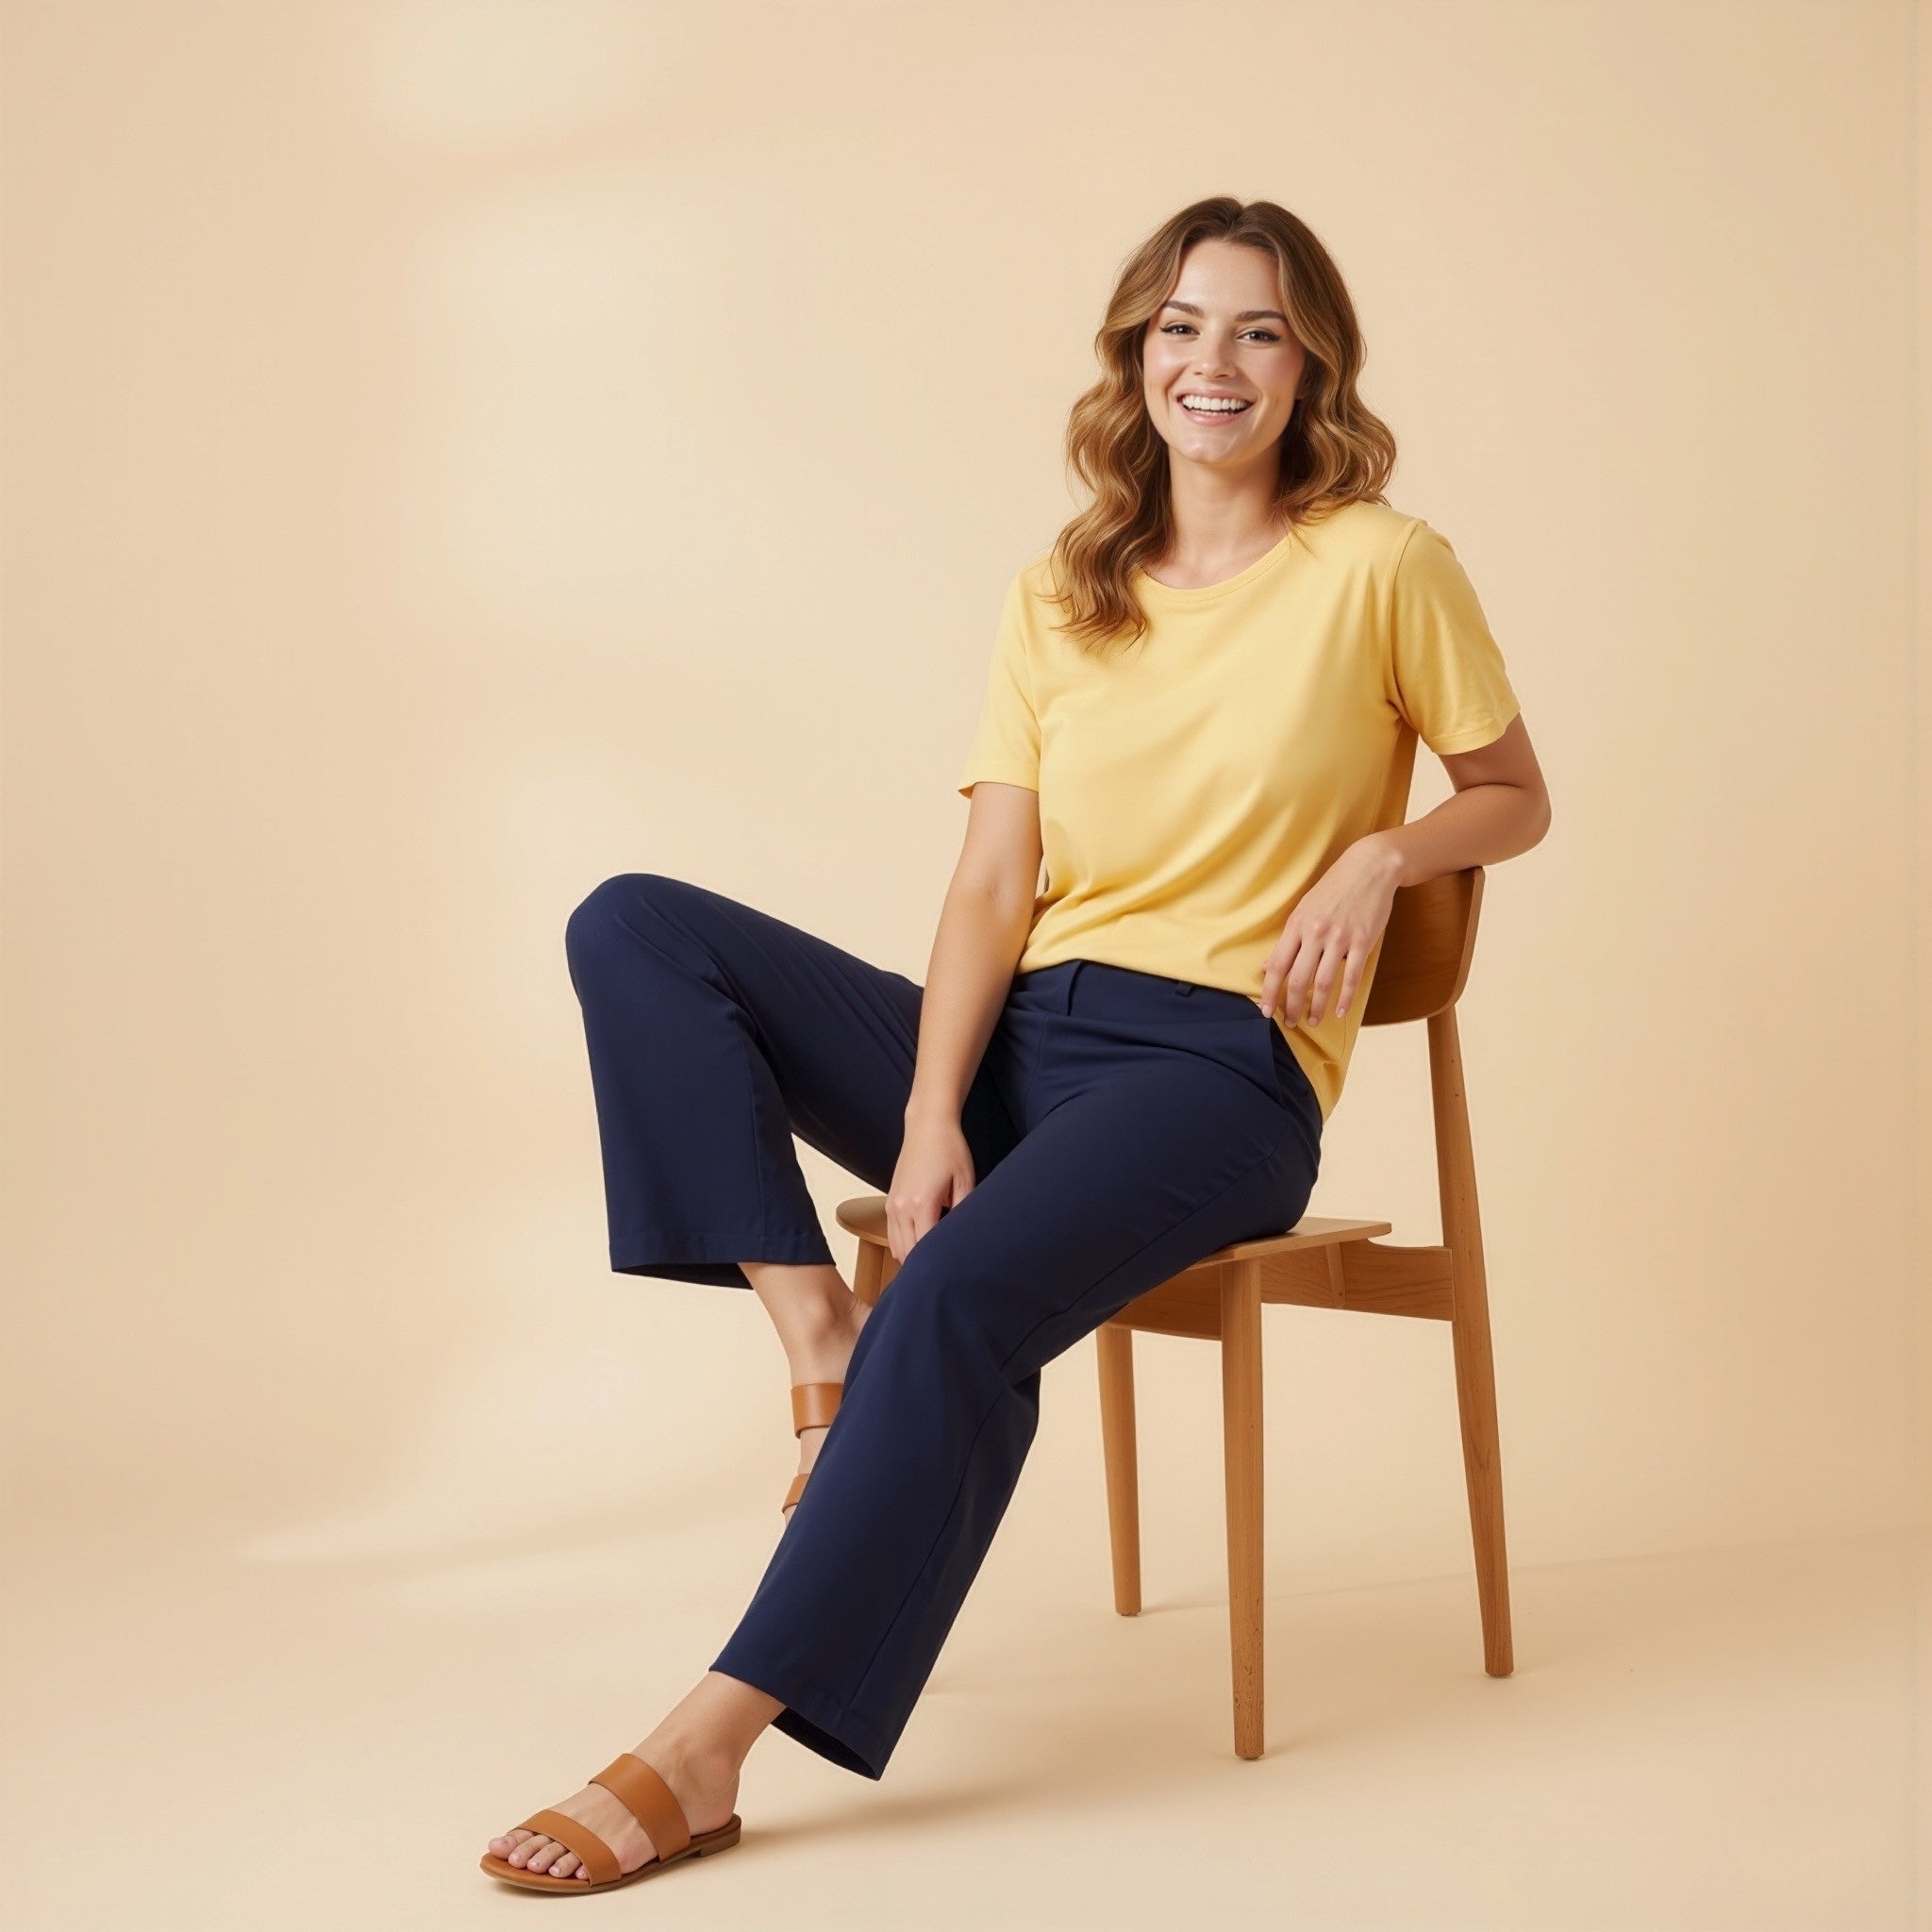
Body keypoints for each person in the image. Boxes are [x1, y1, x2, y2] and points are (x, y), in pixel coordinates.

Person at [480, 194, 1553, 1894]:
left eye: (1259, 330)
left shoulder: (1385, 565)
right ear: (1139, 354)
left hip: (1219, 1076)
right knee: (634, 923)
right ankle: (813, 1319)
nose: (1216, 362)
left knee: (967, 1291)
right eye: (1183, 326)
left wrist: (1384, 847)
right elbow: (993, 882)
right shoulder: (1065, 590)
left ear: (1309, 366)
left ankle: (703, 1750)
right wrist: (923, 1118)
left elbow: (1514, 797)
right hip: (1027, 1035)